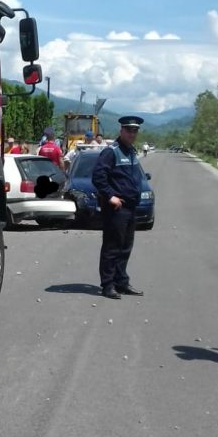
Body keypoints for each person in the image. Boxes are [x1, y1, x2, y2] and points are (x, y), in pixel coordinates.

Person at [92, 116, 145, 299]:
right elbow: (98, 177)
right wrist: (110, 196)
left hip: (130, 207)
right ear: (121, 131)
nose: (132, 134)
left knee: (125, 247)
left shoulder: (131, 151)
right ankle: (108, 285)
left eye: (135, 131)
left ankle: (121, 282)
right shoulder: (111, 152)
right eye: (128, 130)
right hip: (116, 208)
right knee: (112, 247)